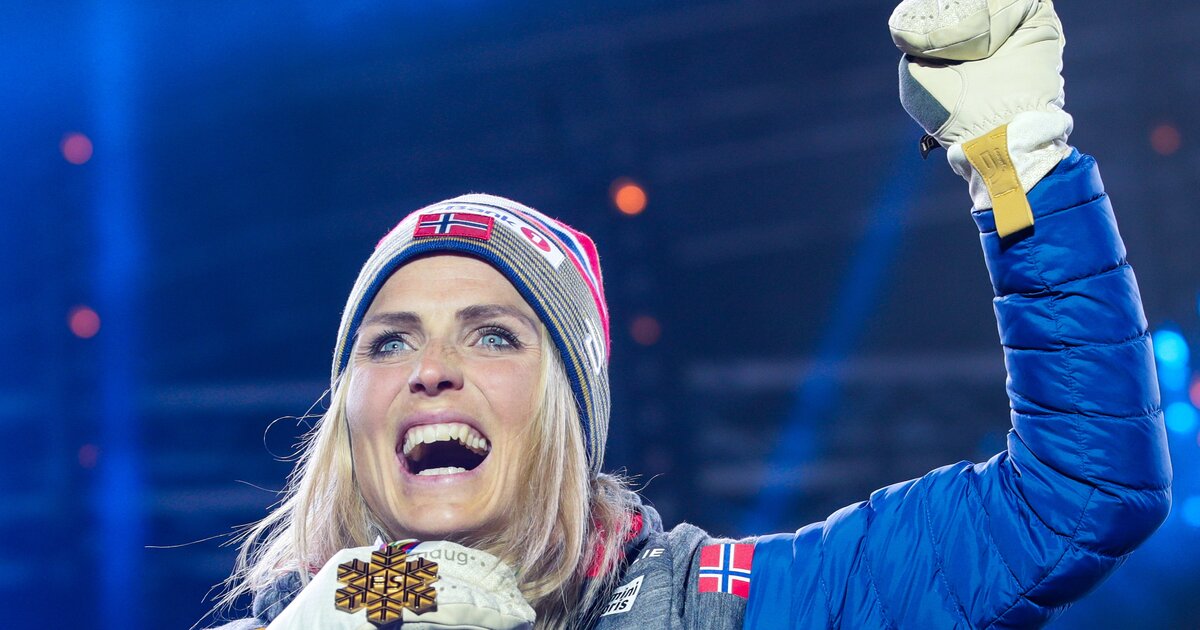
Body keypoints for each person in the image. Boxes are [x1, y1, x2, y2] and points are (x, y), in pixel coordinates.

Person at [209, 1, 1171, 628]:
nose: (431, 369)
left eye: (495, 333)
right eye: (389, 341)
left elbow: (1076, 496)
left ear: (570, 409)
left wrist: (1014, 161)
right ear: (347, 413)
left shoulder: (720, 610)